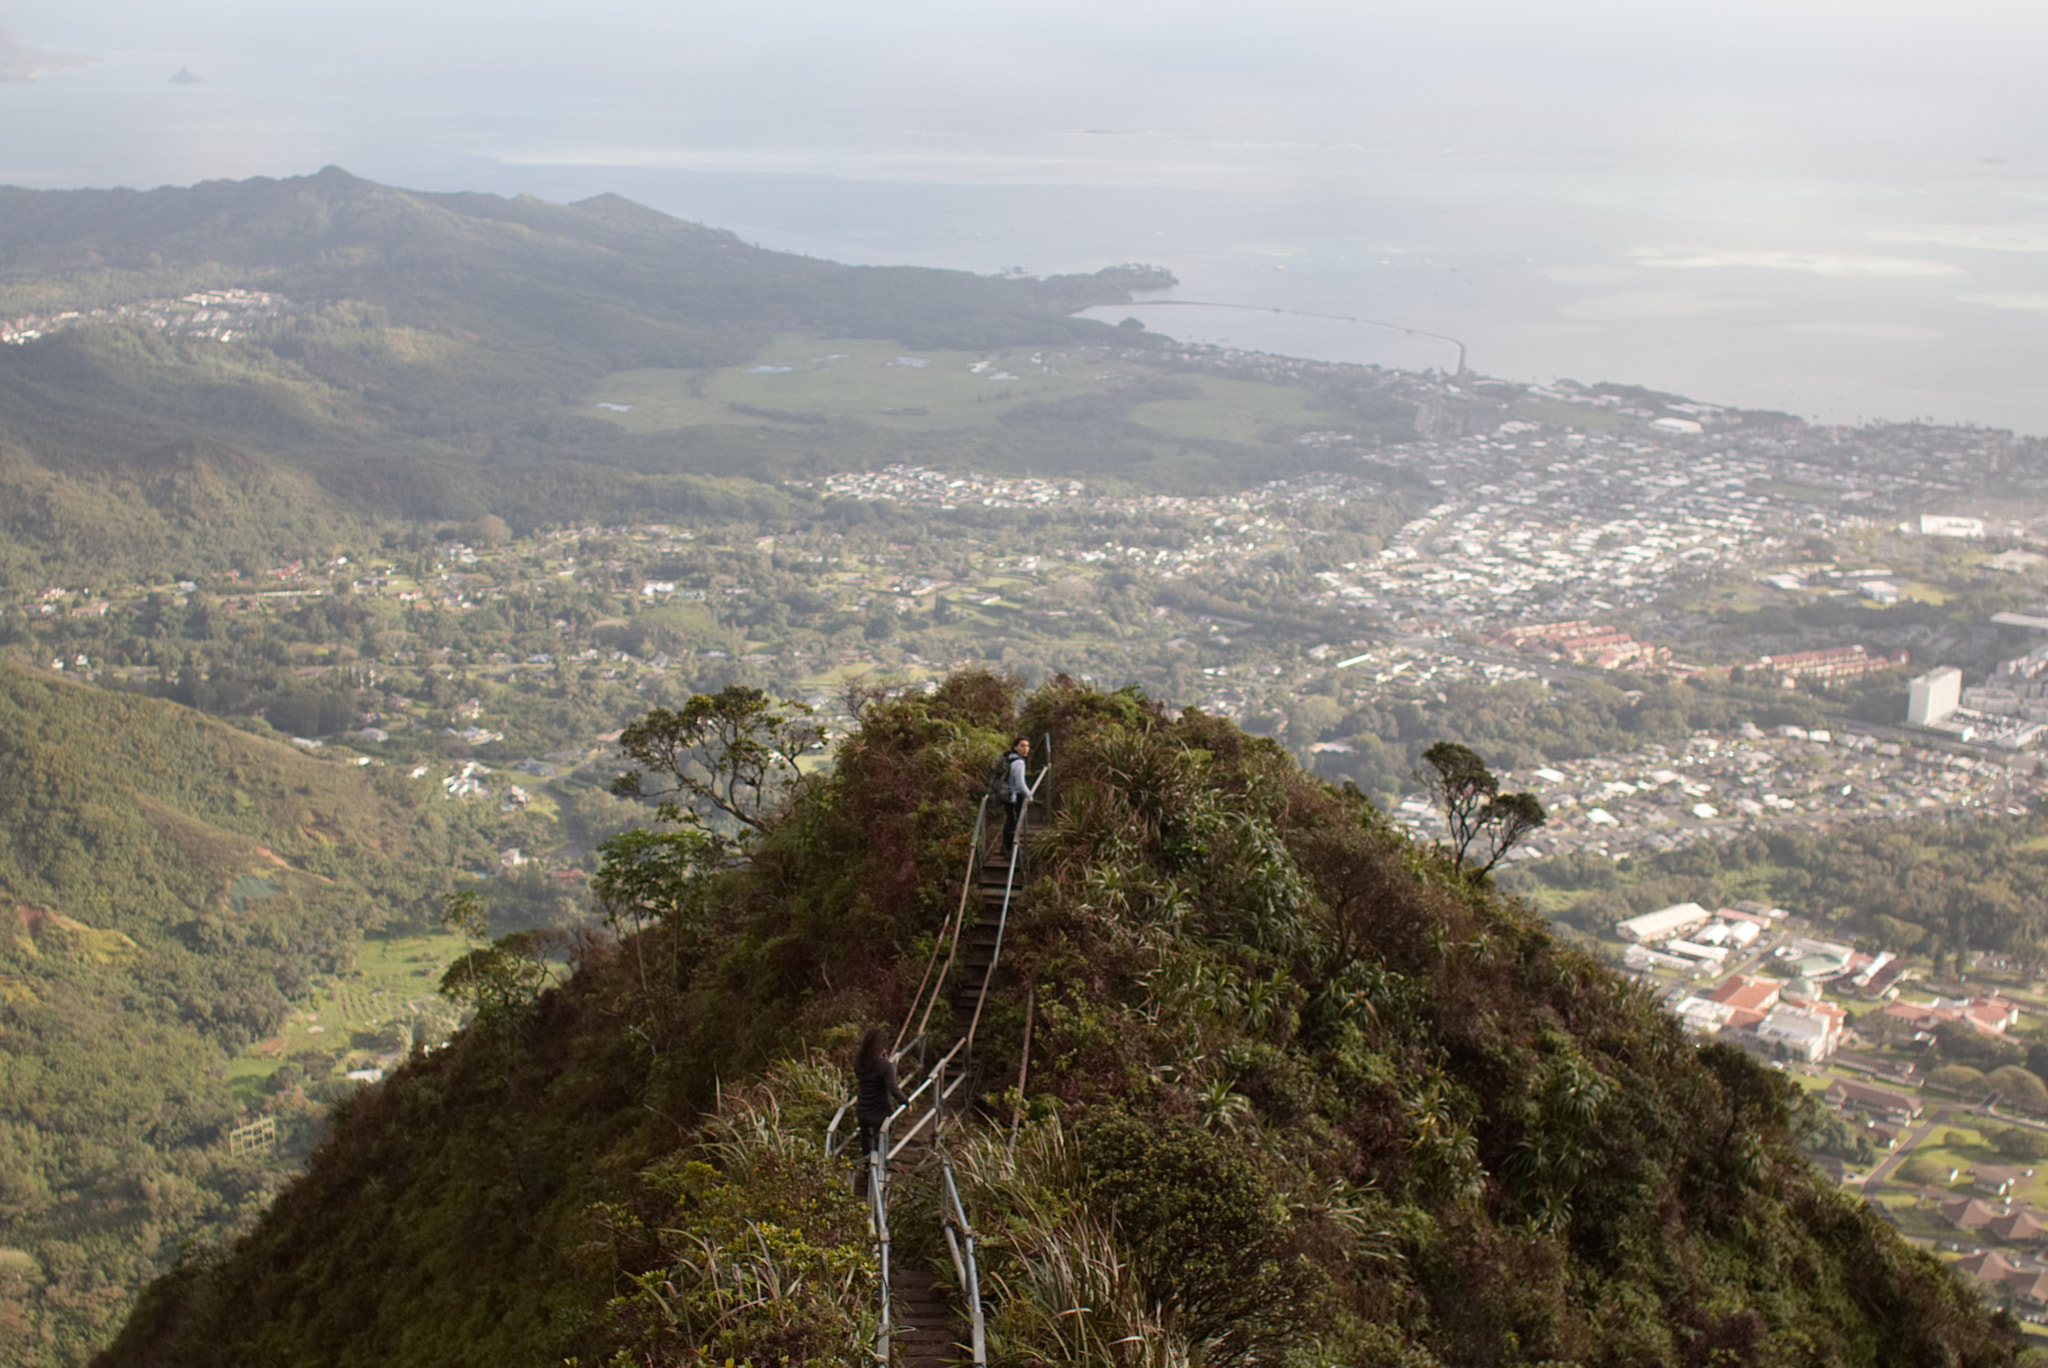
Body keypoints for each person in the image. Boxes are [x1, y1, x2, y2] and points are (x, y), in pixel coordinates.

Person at [853, 1025, 908, 1173]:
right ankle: (878, 1171)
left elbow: (861, 1078)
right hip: (881, 1111)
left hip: (863, 1109)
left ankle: (867, 1168)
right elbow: (893, 1089)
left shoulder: (859, 1062)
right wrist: (906, 1101)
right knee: (881, 1140)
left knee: (866, 1140)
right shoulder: (885, 1066)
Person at [998, 736, 1031, 858]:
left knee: (1010, 820)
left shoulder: (1009, 759)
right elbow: (1020, 784)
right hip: (1013, 797)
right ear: (1015, 747)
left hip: (1006, 795)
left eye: (1027, 746)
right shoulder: (1019, 762)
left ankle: (1005, 846)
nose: (1025, 749)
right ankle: (1008, 848)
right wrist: (1029, 795)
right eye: (1022, 746)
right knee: (1012, 822)